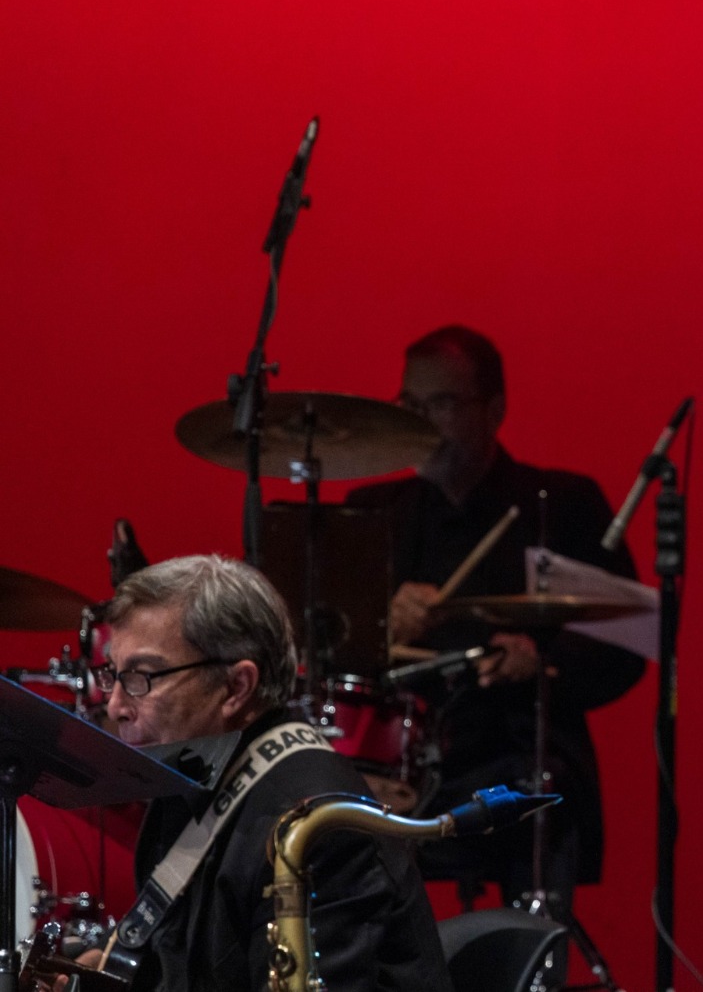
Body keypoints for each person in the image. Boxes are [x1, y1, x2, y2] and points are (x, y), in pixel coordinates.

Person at [344, 325, 645, 917]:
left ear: (496, 410)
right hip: (395, 762)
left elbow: (624, 642)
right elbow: (321, 655)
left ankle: (530, 954)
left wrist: (542, 662)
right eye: (410, 404)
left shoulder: (558, 506)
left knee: (544, 788)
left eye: (442, 404)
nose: (421, 423)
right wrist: (378, 626)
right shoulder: (374, 515)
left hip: (514, 753)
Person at [94, 554, 449, 991]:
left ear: (236, 687)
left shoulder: (321, 832)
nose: (116, 706)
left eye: (142, 677)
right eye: (113, 674)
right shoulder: (191, 779)